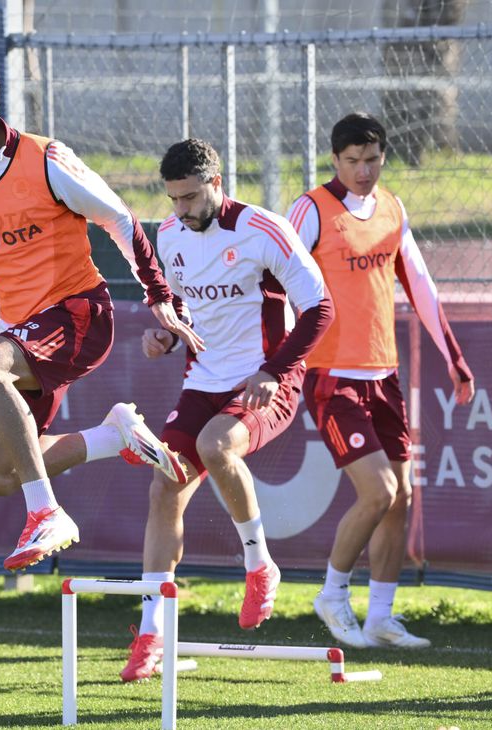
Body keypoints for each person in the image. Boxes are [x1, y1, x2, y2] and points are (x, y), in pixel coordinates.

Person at [0, 56, 204, 572]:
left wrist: (158, 296)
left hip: (79, 313)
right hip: (22, 330)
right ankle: (112, 437)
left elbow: (118, 217)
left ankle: (46, 511)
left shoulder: (45, 159)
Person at [119, 139, 334, 682]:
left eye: (189, 198)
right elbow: (190, 307)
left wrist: (274, 371)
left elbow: (320, 308)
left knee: (216, 446)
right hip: (204, 380)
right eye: (172, 200)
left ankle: (259, 564)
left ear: (216, 184)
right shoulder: (170, 235)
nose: (180, 211)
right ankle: (152, 630)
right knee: (163, 485)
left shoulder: (263, 228)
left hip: (268, 378)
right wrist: (168, 338)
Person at [286, 112, 474, 649]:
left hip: (383, 374)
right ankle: (332, 593)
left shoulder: (392, 209)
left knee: (402, 496)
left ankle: (382, 618)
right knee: (379, 490)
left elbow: (420, 284)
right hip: (330, 377)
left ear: (383, 156)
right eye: (352, 161)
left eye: (372, 159)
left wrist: (453, 357)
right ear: (334, 160)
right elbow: (274, 280)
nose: (363, 170)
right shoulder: (310, 210)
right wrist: (276, 366)